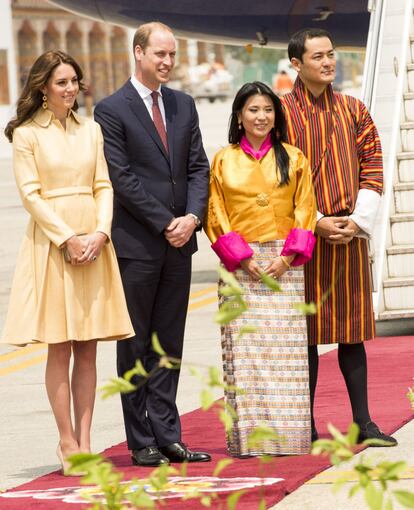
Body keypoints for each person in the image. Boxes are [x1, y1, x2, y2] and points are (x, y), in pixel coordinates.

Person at [1, 51, 134, 475]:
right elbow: (30, 193)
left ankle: (87, 440)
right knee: (60, 347)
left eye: (74, 81)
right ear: (43, 87)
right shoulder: (27, 134)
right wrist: (68, 238)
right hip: (54, 242)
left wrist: (99, 232)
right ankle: (66, 440)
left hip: (93, 241)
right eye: (61, 82)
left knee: (89, 348)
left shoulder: (90, 129)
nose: (70, 88)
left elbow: (103, 184)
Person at [94, 22, 211, 467]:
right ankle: (139, 438)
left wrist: (193, 218)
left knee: (169, 343)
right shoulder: (111, 109)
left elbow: (199, 167)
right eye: (159, 54)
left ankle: (169, 436)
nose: (166, 62)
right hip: (138, 246)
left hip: (180, 244)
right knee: (136, 344)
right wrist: (167, 223)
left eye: (172, 55)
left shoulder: (184, 105)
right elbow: (121, 178)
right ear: (138, 53)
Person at [281, 28, 397, 445]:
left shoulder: (353, 109)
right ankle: (305, 427)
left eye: (331, 54)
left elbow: (373, 165)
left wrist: (356, 220)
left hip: (349, 233)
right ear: (297, 63)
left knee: (352, 332)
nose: (328, 62)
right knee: (304, 338)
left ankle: (363, 423)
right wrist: (314, 221)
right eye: (318, 57)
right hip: (302, 240)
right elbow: (273, 179)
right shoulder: (279, 112)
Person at [204, 81, 317, 456]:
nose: (261, 117)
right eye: (253, 109)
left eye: (268, 110)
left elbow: (305, 208)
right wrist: (243, 258)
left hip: (285, 263)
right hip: (241, 266)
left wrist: (286, 258)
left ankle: (289, 437)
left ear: (276, 115)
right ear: (239, 115)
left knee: (287, 353)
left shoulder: (294, 157)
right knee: (247, 351)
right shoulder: (223, 159)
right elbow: (215, 212)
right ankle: (252, 440)